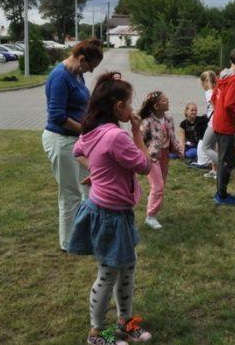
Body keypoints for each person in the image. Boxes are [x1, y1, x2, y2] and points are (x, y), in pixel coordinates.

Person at [67, 72, 152, 345]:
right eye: (129, 104)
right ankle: (96, 334)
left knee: (127, 268)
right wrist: (138, 131)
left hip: (111, 211)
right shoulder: (117, 136)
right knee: (107, 274)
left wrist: (98, 170)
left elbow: (79, 151)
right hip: (111, 215)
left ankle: (125, 323)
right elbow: (145, 165)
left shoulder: (93, 129)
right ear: (118, 108)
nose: (131, 109)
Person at [42, 38, 103, 252]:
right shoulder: (60, 76)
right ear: (82, 58)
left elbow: (82, 104)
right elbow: (58, 116)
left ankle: (86, 234)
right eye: (90, 67)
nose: (90, 71)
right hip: (61, 140)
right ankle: (68, 243)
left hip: (76, 140)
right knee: (70, 193)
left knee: (89, 187)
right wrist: (86, 130)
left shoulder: (77, 74)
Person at [212, 47, 235, 206]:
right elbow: (229, 104)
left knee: (223, 159)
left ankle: (220, 191)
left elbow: (214, 97)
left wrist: (218, 110)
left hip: (218, 121)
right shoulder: (234, 80)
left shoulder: (223, 74)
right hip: (226, 124)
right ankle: (221, 195)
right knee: (226, 161)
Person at [139, 91, 182, 230]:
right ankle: (150, 216)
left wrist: (179, 149)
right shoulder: (147, 122)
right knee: (158, 187)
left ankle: (152, 204)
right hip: (152, 157)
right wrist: (144, 155)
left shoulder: (168, 117)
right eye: (164, 99)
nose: (168, 100)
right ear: (157, 106)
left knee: (160, 184)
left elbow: (172, 136)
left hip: (165, 155)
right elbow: (138, 139)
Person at [199, 71, 219, 179]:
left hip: (213, 123)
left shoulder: (209, 93)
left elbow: (215, 107)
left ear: (205, 82)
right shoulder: (218, 90)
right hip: (218, 122)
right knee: (213, 146)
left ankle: (223, 165)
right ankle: (214, 170)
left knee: (205, 147)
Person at [179, 102, 210, 169]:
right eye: (192, 110)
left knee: (190, 154)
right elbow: (182, 139)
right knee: (172, 154)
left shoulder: (201, 120)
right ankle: (185, 153)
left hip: (197, 146)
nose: (194, 112)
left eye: (195, 110)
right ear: (186, 111)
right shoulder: (183, 124)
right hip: (188, 145)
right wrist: (182, 150)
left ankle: (197, 155)